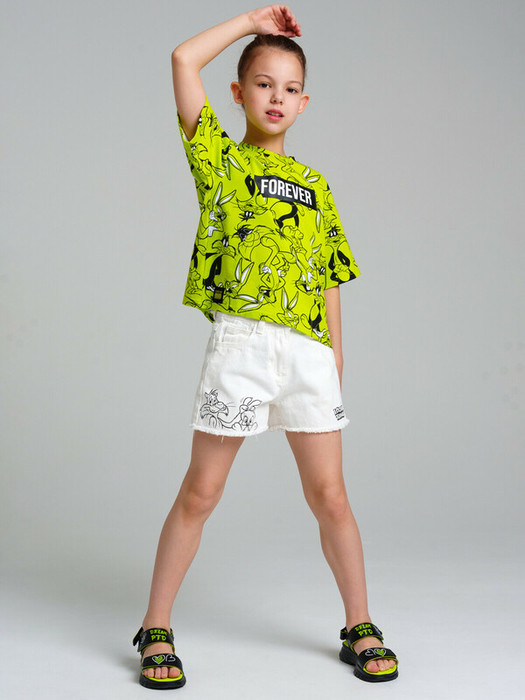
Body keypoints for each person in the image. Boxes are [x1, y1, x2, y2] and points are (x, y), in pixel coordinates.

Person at [132, 5, 398, 689]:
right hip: (242, 345)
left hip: (308, 353)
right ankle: (155, 626)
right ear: (238, 92)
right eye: (262, 83)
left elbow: (330, 275)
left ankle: (359, 624)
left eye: (289, 88)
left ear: (304, 102)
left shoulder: (316, 186)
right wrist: (252, 19)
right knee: (201, 491)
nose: (276, 97)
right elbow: (182, 59)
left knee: (331, 496)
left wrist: (336, 356)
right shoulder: (220, 161)